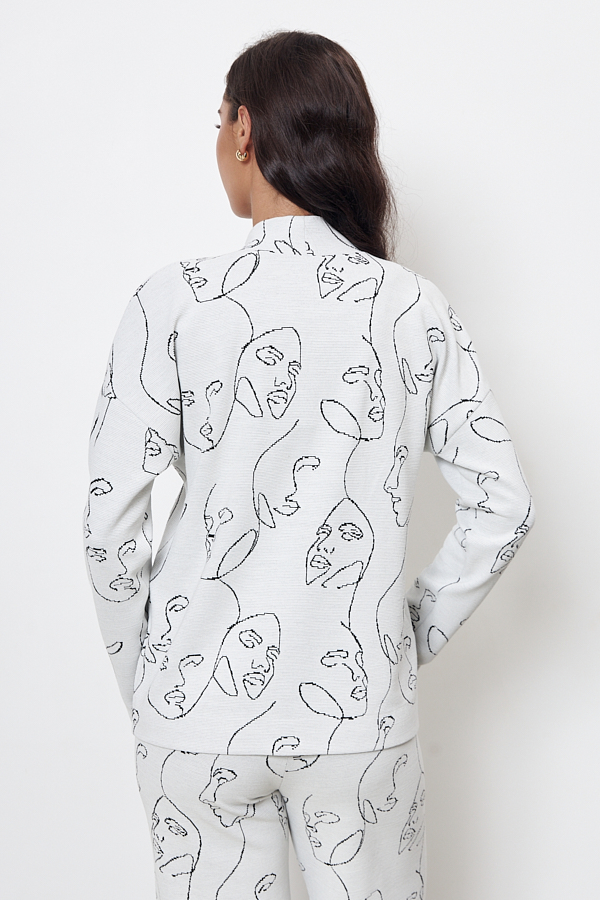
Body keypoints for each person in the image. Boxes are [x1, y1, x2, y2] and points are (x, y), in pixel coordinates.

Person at [84, 30, 534, 900]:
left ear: (244, 129)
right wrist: (401, 639)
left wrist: (152, 686)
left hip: (194, 724)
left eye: (218, 120)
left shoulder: (171, 302)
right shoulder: (413, 307)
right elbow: (503, 506)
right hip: (358, 722)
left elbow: (109, 527)